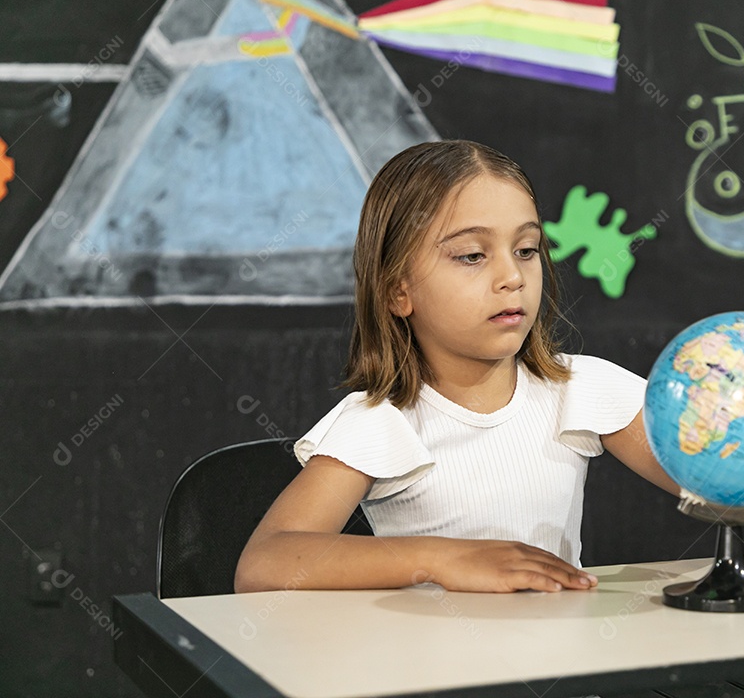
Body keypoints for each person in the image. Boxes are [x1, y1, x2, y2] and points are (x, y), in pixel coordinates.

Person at [235, 140, 680, 595]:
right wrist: (443, 558)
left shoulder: (581, 386)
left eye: (526, 249)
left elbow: (717, 483)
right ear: (397, 291)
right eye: (472, 255)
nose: (513, 277)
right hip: (436, 665)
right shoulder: (381, 421)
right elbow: (265, 564)